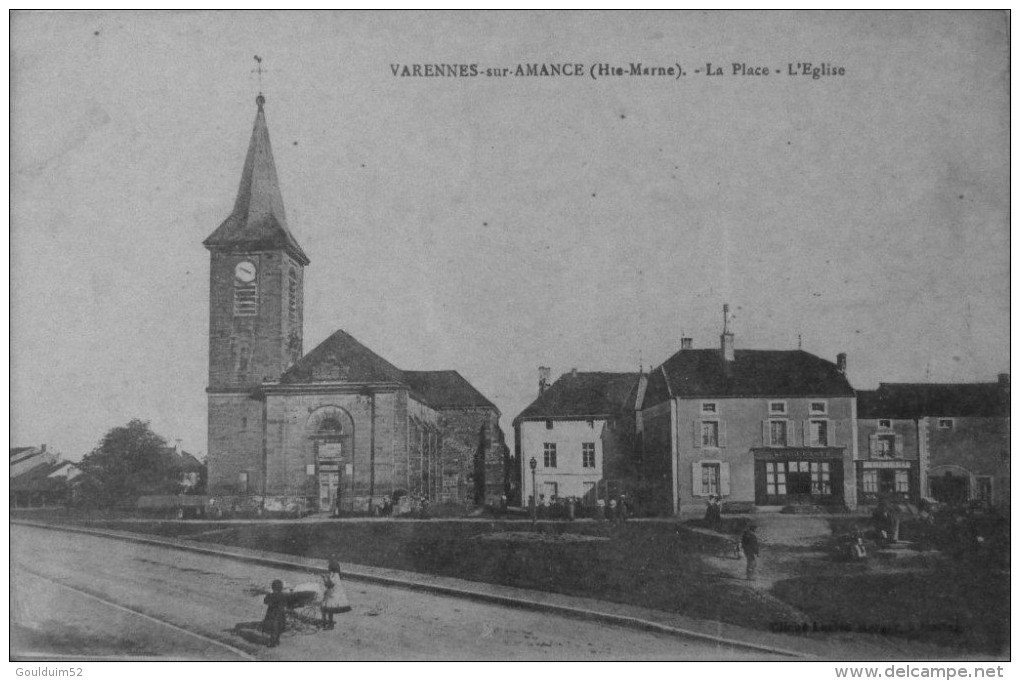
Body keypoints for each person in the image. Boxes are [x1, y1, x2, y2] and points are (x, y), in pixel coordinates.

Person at [321, 559, 352, 629]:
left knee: (326, 609)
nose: (328, 568)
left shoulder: (334, 575)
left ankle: (328, 624)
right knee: (327, 610)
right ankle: (326, 623)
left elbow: (329, 585)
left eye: (328, 567)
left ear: (331, 568)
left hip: (332, 596)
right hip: (332, 594)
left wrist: (324, 578)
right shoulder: (336, 575)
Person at [262, 579, 288, 647]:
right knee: (279, 627)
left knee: (273, 628)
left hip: (272, 613)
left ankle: (272, 643)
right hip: (281, 613)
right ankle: (277, 640)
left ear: (273, 587)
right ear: (281, 588)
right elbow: (286, 604)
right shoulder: (283, 595)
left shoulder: (271, 595)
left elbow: (265, 601)